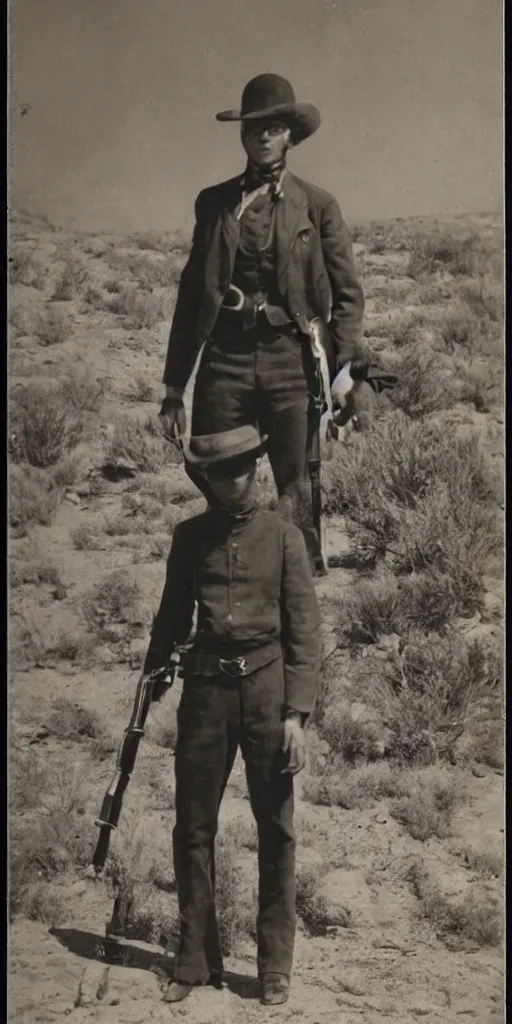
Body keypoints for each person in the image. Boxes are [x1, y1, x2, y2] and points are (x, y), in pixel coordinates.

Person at [143, 424, 321, 1006]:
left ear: (258, 469)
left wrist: (297, 715)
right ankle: (194, 961)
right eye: (221, 473)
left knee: (276, 829)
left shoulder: (287, 538)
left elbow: (304, 633)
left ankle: (273, 968)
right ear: (207, 479)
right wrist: (154, 672)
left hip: (269, 692)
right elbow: (171, 620)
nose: (232, 481)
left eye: (242, 469)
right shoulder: (189, 538)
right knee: (194, 829)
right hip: (205, 697)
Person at [159, 73, 365, 567]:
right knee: (216, 473)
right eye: (254, 129)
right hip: (224, 359)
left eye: (273, 128)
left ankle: (299, 601)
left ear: (290, 135)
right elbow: (192, 299)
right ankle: (229, 589)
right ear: (242, 136)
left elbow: (348, 295)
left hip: (290, 362)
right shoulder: (214, 203)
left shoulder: (318, 206)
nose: (263, 137)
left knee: (297, 485)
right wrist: (173, 388)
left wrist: (340, 371)